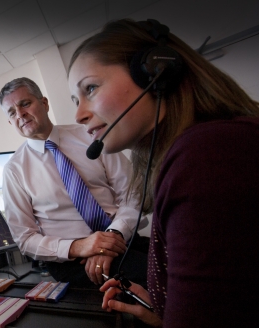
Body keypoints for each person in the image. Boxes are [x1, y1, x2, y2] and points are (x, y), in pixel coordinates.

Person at [68, 19, 259, 327]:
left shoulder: (207, 155)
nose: (79, 114)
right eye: (76, 101)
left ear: (156, 72)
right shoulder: (203, 150)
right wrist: (167, 311)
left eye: (90, 88)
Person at [0, 77, 148, 287]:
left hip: (122, 237)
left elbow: (133, 191)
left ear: (44, 103)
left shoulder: (91, 135)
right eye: (12, 112)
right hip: (71, 259)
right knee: (157, 276)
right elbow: (25, 239)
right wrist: (80, 246)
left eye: (25, 104)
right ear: (10, 122)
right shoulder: (14, 170)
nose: (20, 114)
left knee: (178, 256)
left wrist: (113, 236)